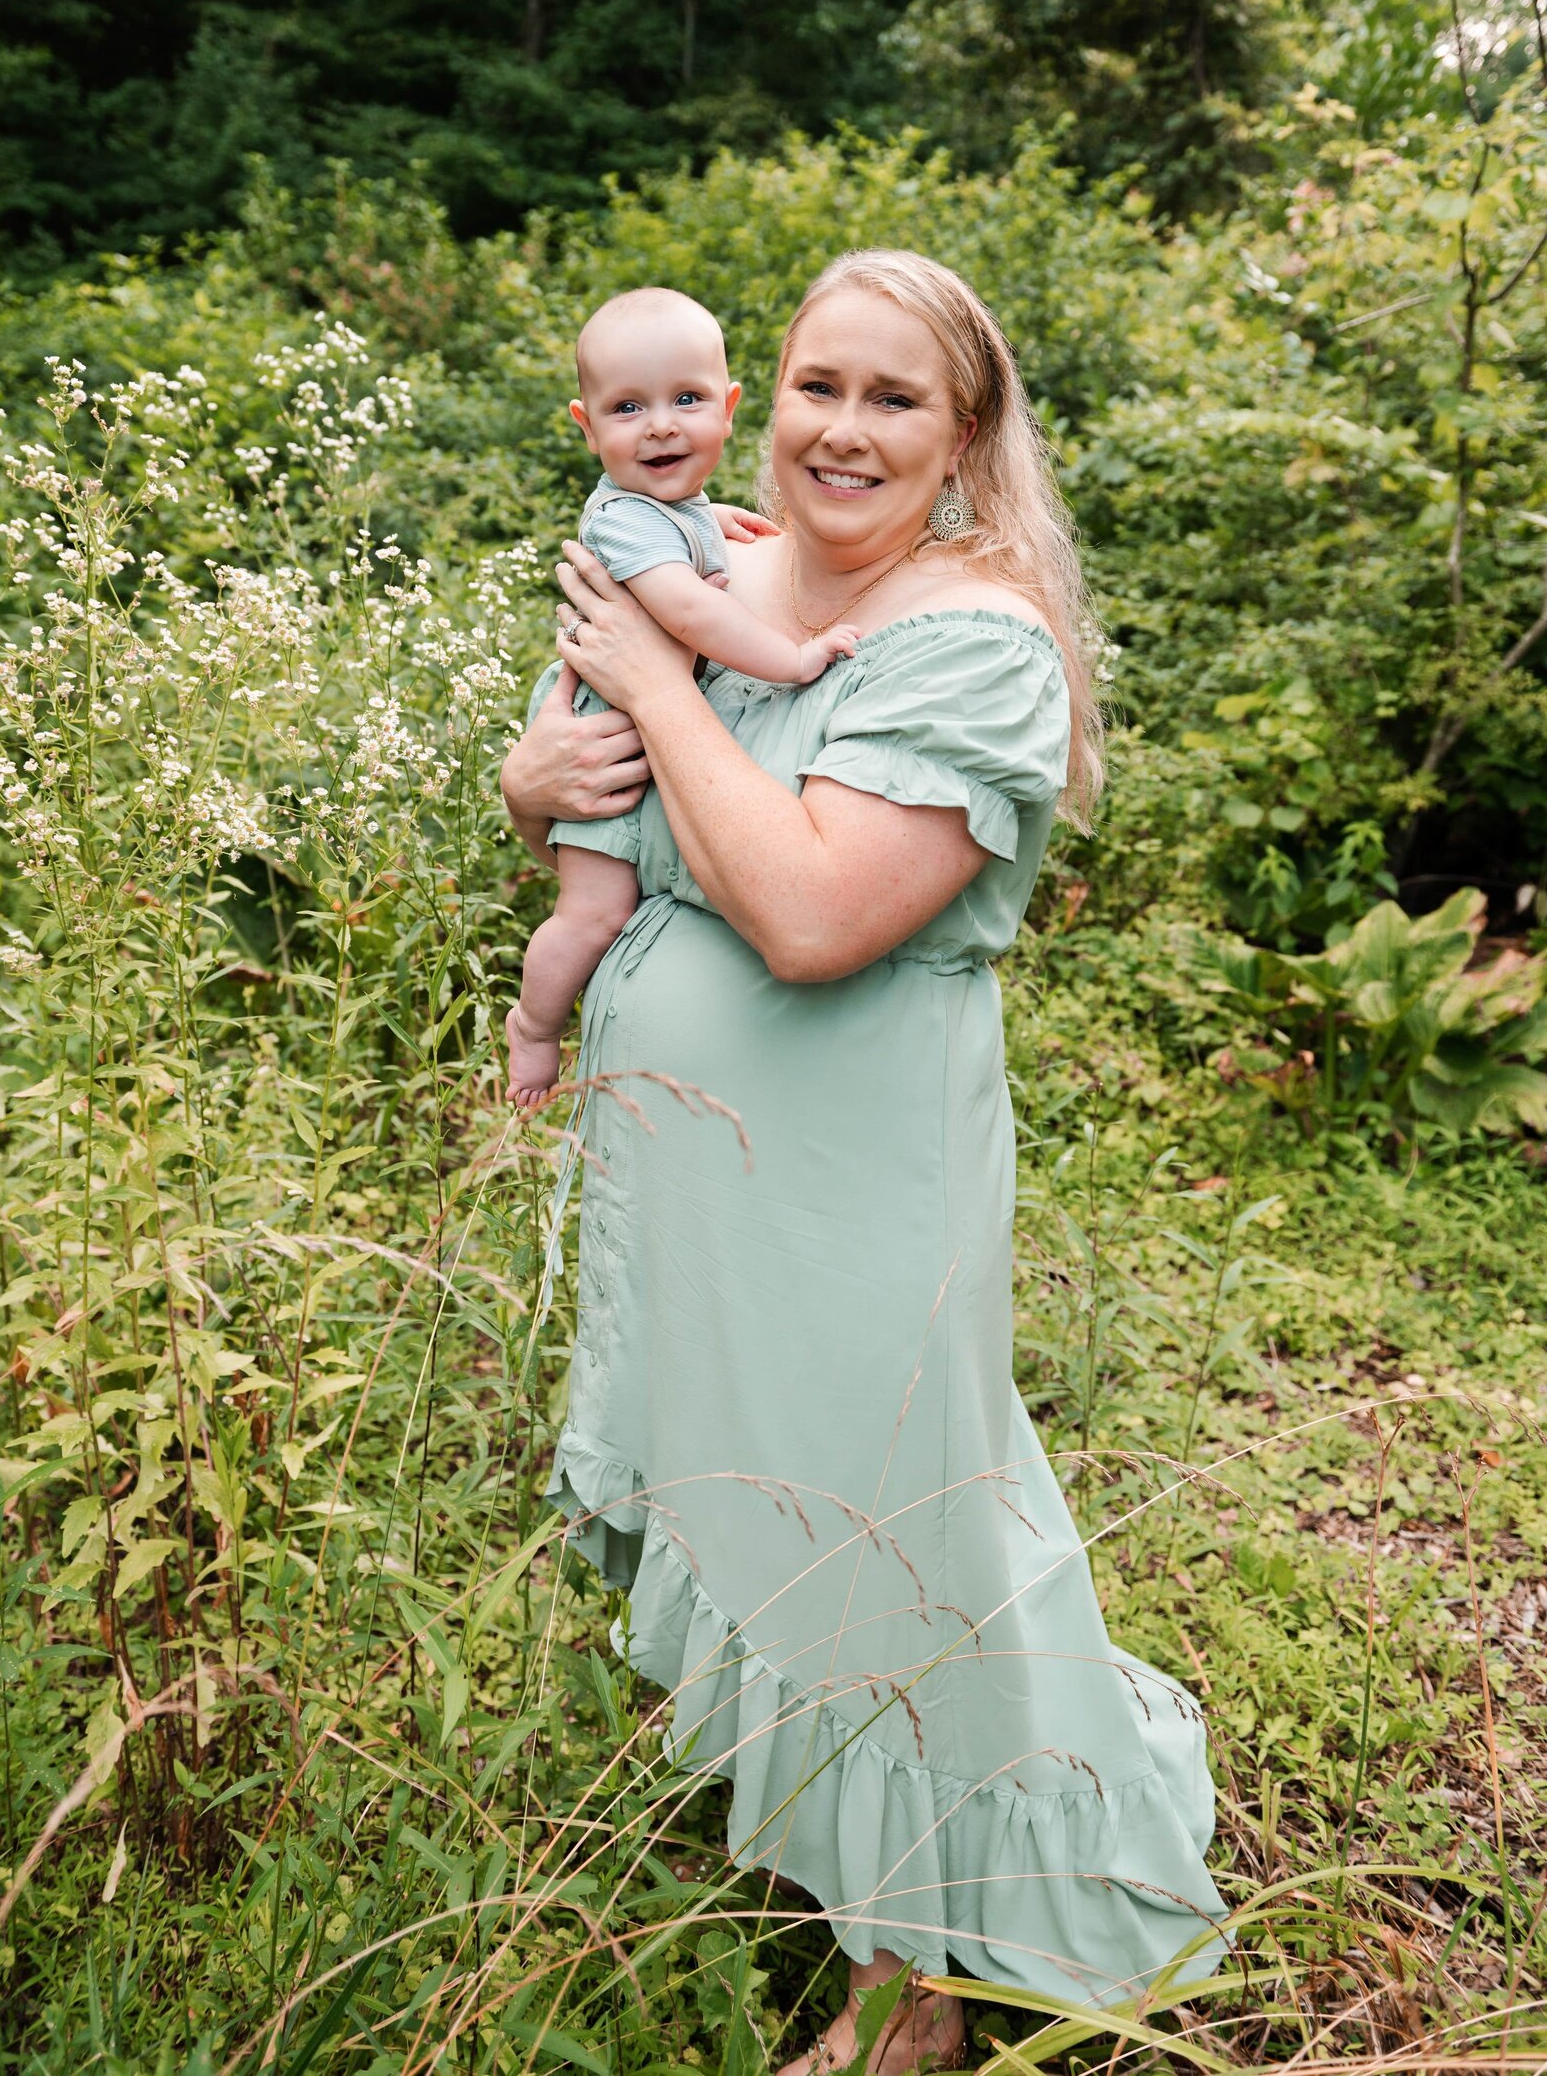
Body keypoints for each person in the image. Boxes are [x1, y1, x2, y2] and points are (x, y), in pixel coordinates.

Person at [500, 250, 1227, 2075]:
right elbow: (604, 820)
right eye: (820, 383)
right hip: (688, 1171)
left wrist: (655, 687)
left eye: (894, 398)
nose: (843, 428)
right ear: (765, 394)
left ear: (964, 436)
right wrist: (538, 783)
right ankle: (808, 1829)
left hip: (851, 1178)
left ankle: (913, 1993)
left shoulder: (972, 640)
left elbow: (818, 911)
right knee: (745, 1491)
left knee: (888, 1536)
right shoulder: (710, 568)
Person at [506, 286, 858, 1106]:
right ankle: (533, 1023)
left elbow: (683, 532)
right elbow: (693, 610)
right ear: (587, 427)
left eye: (687, 399)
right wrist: (794, 659)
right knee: (594, 912)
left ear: (730, 410)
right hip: (604, 736)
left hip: (637, 717)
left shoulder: (671, 506)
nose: (662, 424)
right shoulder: (626, 523)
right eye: (628, 407)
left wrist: (716, 518)